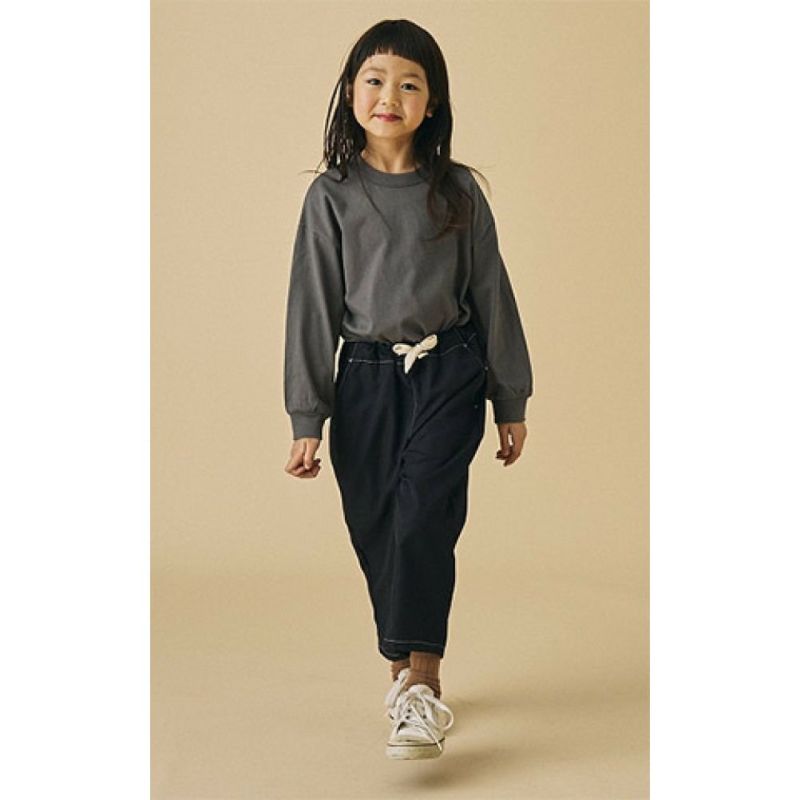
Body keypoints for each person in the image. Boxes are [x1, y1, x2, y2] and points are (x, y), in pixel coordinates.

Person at [282, 19, 534, 760]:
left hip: (449, 369)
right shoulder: (330, 197)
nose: (389, 95)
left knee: (425, 512)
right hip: (363, 380)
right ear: (350, 92)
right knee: (378, 528)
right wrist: (307, 417)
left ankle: (422, 682)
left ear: (433, 103)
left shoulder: (458, 192)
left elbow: (492, 294)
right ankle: (405, 677)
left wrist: (509, 397)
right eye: (375, 79)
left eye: (409, 83)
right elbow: (311, 307)